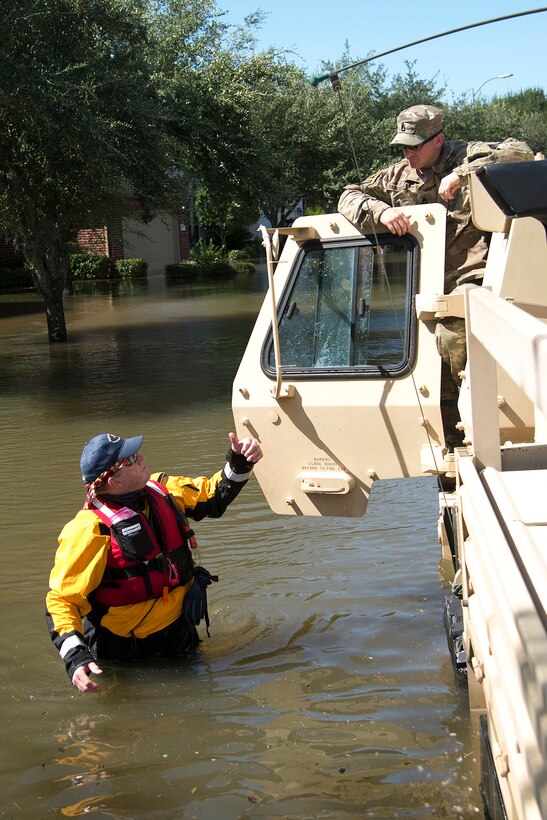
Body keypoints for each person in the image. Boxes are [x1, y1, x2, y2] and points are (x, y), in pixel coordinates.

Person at [338, 104, 533, 448]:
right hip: (427, 285)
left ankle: (492, 432)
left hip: (473, 277)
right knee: (432, 376)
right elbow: (349, 195)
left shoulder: (465, 155)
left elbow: (522, 154)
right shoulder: (398, 175)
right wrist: (380, 212)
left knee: (453, 339)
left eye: (414, 146)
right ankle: (454, 455)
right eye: (403, 146)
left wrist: (466, 174)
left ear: (439, 140)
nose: (407, 153)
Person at [46, 431, 262, 694]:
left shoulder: (164, 489)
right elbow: (62, 601)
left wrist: (240, 462)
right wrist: (75, 658)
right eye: (133, 458)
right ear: (114, 480)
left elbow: (213, 497)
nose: (143, 458)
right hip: (125, 655)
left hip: (179, 635)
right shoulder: (89, 530)